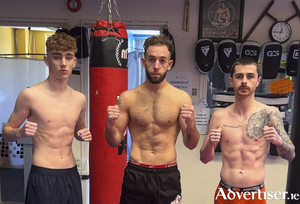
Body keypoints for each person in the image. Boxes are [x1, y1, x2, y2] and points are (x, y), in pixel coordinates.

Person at [105, 34, 200, 204]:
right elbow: (114, 141)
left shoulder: (181, 98)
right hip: (136, 174)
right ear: (143, 62)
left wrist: (191, 125)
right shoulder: (128, 98)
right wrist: (110, 125)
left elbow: (191, 144)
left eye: (162, 60)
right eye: (151, 59)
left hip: (167, 175)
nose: (156, 66)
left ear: (169, 64)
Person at [2, 32, 92, 204]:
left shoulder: (80, 99)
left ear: (74, 61)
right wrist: (20, 132)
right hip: (43, 174)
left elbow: (79, 129)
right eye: (57, 57)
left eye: (68, 57)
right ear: (47, 60)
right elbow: (6, 132)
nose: (63, 63)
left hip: (71, 174)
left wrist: (81, 133)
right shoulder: (30, 95)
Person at [200, 57, 295, 204]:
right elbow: (204, 159)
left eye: (250, 76)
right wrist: (210, 144)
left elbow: (291, 155)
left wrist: (279, 141)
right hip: (225, 192)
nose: (244, 81)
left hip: (255, 193)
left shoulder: (270, 113)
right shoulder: (219, 116)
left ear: (258, 81)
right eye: (239, 76)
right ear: (231, 81)